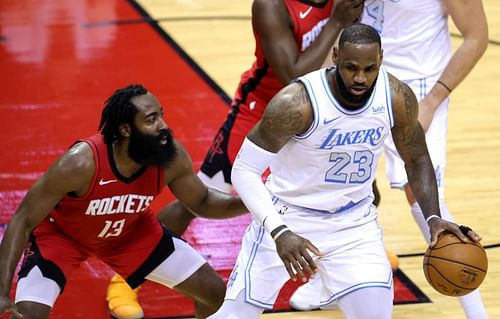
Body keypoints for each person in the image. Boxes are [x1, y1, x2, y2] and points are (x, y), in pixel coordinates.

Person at [106, 1, 367, 318]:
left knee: (335, 187)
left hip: (317, 113)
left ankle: (347, 265)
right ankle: (125, 276)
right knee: (198, 197)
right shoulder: (272, 6)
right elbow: (292, 75)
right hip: (259, 114)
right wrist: (337, 22)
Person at [206, 23, 483, 319]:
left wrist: (433, 217)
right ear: (336, 56)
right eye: (351, 67)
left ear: (381, 59)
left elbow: (417, 159)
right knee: (234, 316)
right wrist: (278, 230)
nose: (360, 78)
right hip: (289, 217)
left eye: (369, 68)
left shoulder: (396, 98)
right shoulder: (297, 103)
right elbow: (245, 170)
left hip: (353, 226)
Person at [289, 1, 490, 317]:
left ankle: (476, 312)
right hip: (358, 79)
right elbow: (345, 20)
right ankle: (327, 278)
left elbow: (477, 36)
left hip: (418, 88)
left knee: (421, 195)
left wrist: (433, 100)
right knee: (336, 182)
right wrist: (321, 84)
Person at [0, 84, 249, 319]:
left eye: (161, 115)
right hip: (63, 237)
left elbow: (203, 201)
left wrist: (250, 201)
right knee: (27, 315)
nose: (163, 125)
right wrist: (1, 290)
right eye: (151, 120)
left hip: (129, 233)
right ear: (125, 129)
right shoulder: (80, 163)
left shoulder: (169, 156)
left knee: (215, 293)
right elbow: (23, 220)